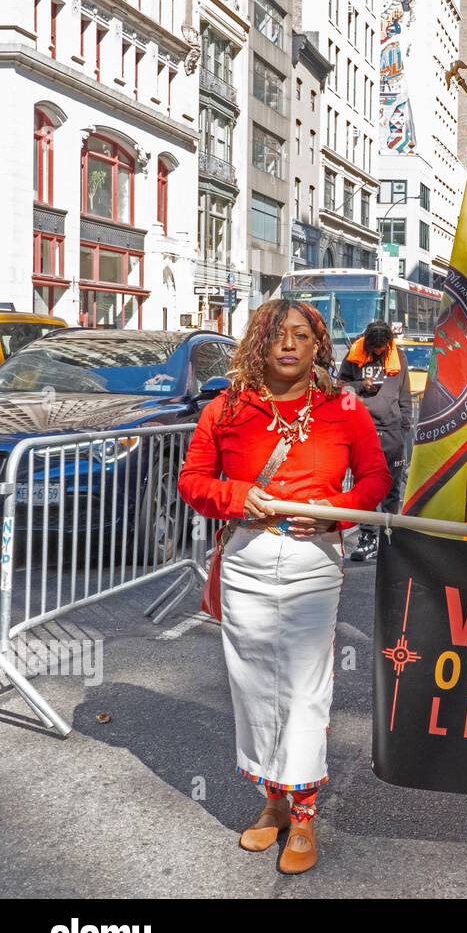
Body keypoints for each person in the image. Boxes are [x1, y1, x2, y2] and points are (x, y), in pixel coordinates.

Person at [177, 300, 392, 876]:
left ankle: (304, 814)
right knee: (252, 684)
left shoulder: (343, 406)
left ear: (318, 345)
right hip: (246, 556)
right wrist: (234, 495)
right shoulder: (226, 407)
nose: (289, 345)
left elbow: (376, 478)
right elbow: (192, 480)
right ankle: (271, 800)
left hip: (313, 562)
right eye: (278, 335)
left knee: (302, 686)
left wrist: (337, 514)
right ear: (260, 343)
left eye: (301, 335)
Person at [338, 321, 412, 562]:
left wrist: (405, 429)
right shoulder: (354, 354)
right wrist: (361, 385)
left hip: (392, 430)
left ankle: (389, 537)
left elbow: (404, 395)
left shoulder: (398, 356)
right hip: (363, 428)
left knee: (392, 488)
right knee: (366, 487)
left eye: (383, 349)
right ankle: (367, 538)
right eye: (375, 349)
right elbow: (339, 388)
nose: (379, 353)